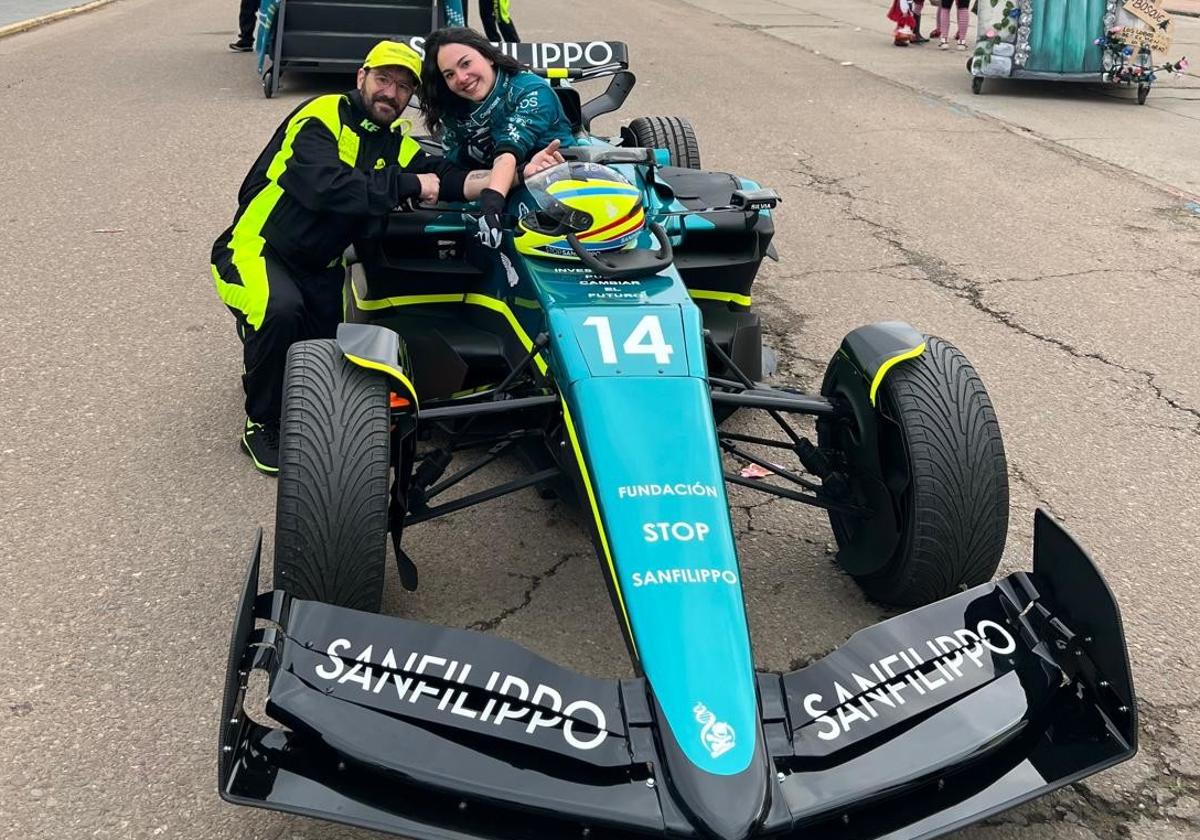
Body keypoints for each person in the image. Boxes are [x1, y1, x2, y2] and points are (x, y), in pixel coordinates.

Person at [210, 40, 563, 474]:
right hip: (256, 250)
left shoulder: (395, 142)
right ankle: (260, 422)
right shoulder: (320, 115)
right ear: (361, 78)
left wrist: (516, 174)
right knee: (280, 312)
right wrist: (409, 186)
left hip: (321, 266)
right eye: (383, 80)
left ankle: (273, 353)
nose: (390, 93)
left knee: (322, 361)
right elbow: (327, 187)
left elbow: (450, 179)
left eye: (402, 87)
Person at [418, 27, 576, 250]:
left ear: (489, 57)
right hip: (503, 181)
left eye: (466, 64)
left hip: (554, 180)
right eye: (449, 75)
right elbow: (452, 171)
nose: (461, 78)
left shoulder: (531, 90)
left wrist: (491, 207)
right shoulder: (453, 106)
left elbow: (507, 152)